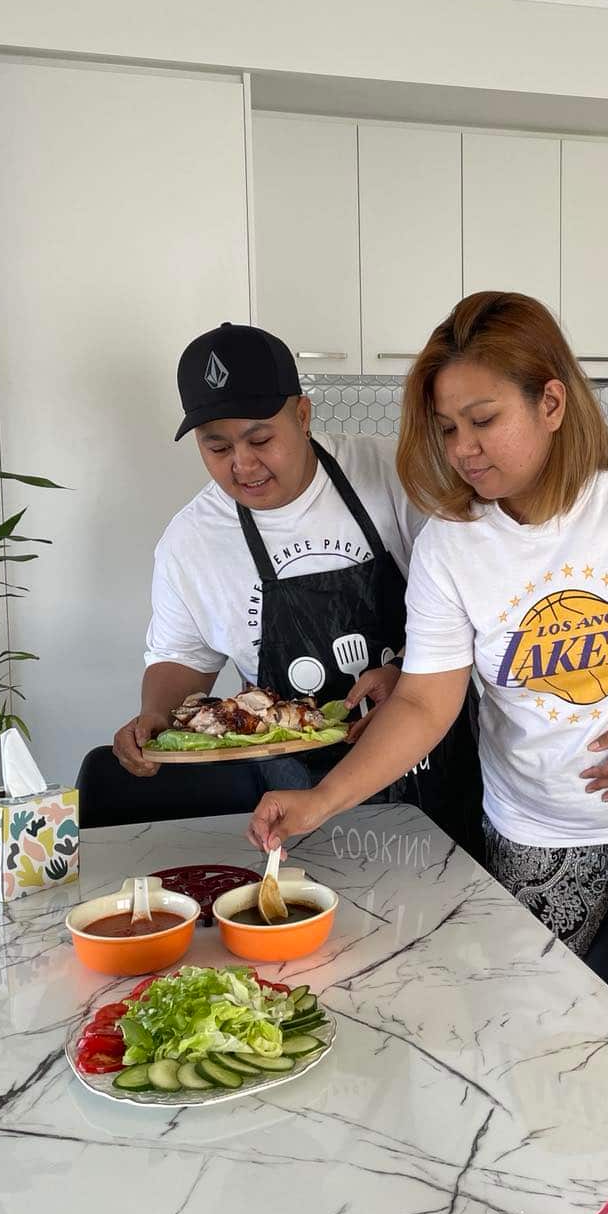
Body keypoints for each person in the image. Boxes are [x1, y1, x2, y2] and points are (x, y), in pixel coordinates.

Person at [248, 292, 608, 953]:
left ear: (550, 404)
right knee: (549, 1035)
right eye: (447, 428)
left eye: (483, 420)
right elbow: (422, 703)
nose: (463, 449)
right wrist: (321, 800)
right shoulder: (452, 541)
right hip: (537, 836)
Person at [107, 320, 483, 843]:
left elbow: (474, 601)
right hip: (296, 802)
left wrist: (412, 677)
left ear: (302, 415)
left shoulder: (394, 474)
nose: (243, 464)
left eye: (261, 438)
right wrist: (154, 716)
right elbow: (183, 656)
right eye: (216, 448)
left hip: (434, 771)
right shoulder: (191, 542)